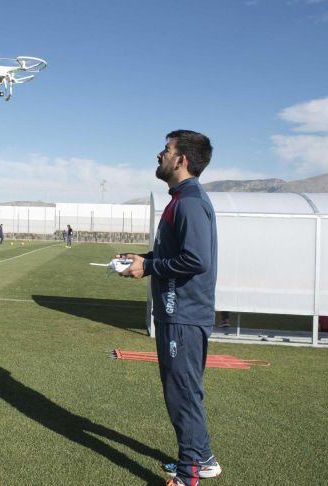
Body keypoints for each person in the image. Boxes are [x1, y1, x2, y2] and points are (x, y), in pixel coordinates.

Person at [118, 130, 220, 486]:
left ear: (181, 160)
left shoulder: (190, 201)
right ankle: (203, 459)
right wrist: (145, 258)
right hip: (176, 313)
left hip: (184, 314)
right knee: (183, 389)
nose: (159, 155)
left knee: (182, 393)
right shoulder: (180, 199)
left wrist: (149, 268)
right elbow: (177, 253)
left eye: (166, 150)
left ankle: (189, 474)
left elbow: (196, 260)